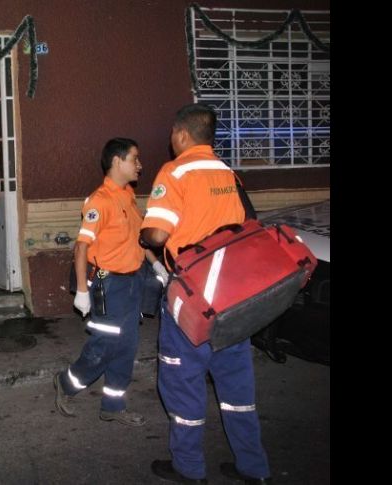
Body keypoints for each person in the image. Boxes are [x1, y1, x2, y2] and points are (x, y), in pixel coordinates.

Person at [140, 103, 272, 484]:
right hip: (233, 295)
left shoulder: (175, 171)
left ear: (181, 135)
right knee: (237, 388)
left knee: (182, 382)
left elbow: (158, 235)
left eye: (171, 134)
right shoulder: (229, 174)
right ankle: (253, 467)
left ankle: (188, 467)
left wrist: (144, 234)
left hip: (193, 295)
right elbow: (249, 227)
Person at [54, 137, 155, 427]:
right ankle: (66, 383)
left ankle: (113, 405)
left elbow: (140, 237)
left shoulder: (128, 195)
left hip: (133, 281)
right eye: (134, 158)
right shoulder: (99, 200)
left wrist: (156, 264)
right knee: (105, 345)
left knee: (127, 346)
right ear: (116, 162)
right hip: (107, 281)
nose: (140, 165)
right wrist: (83, 291)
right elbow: (82, 247)